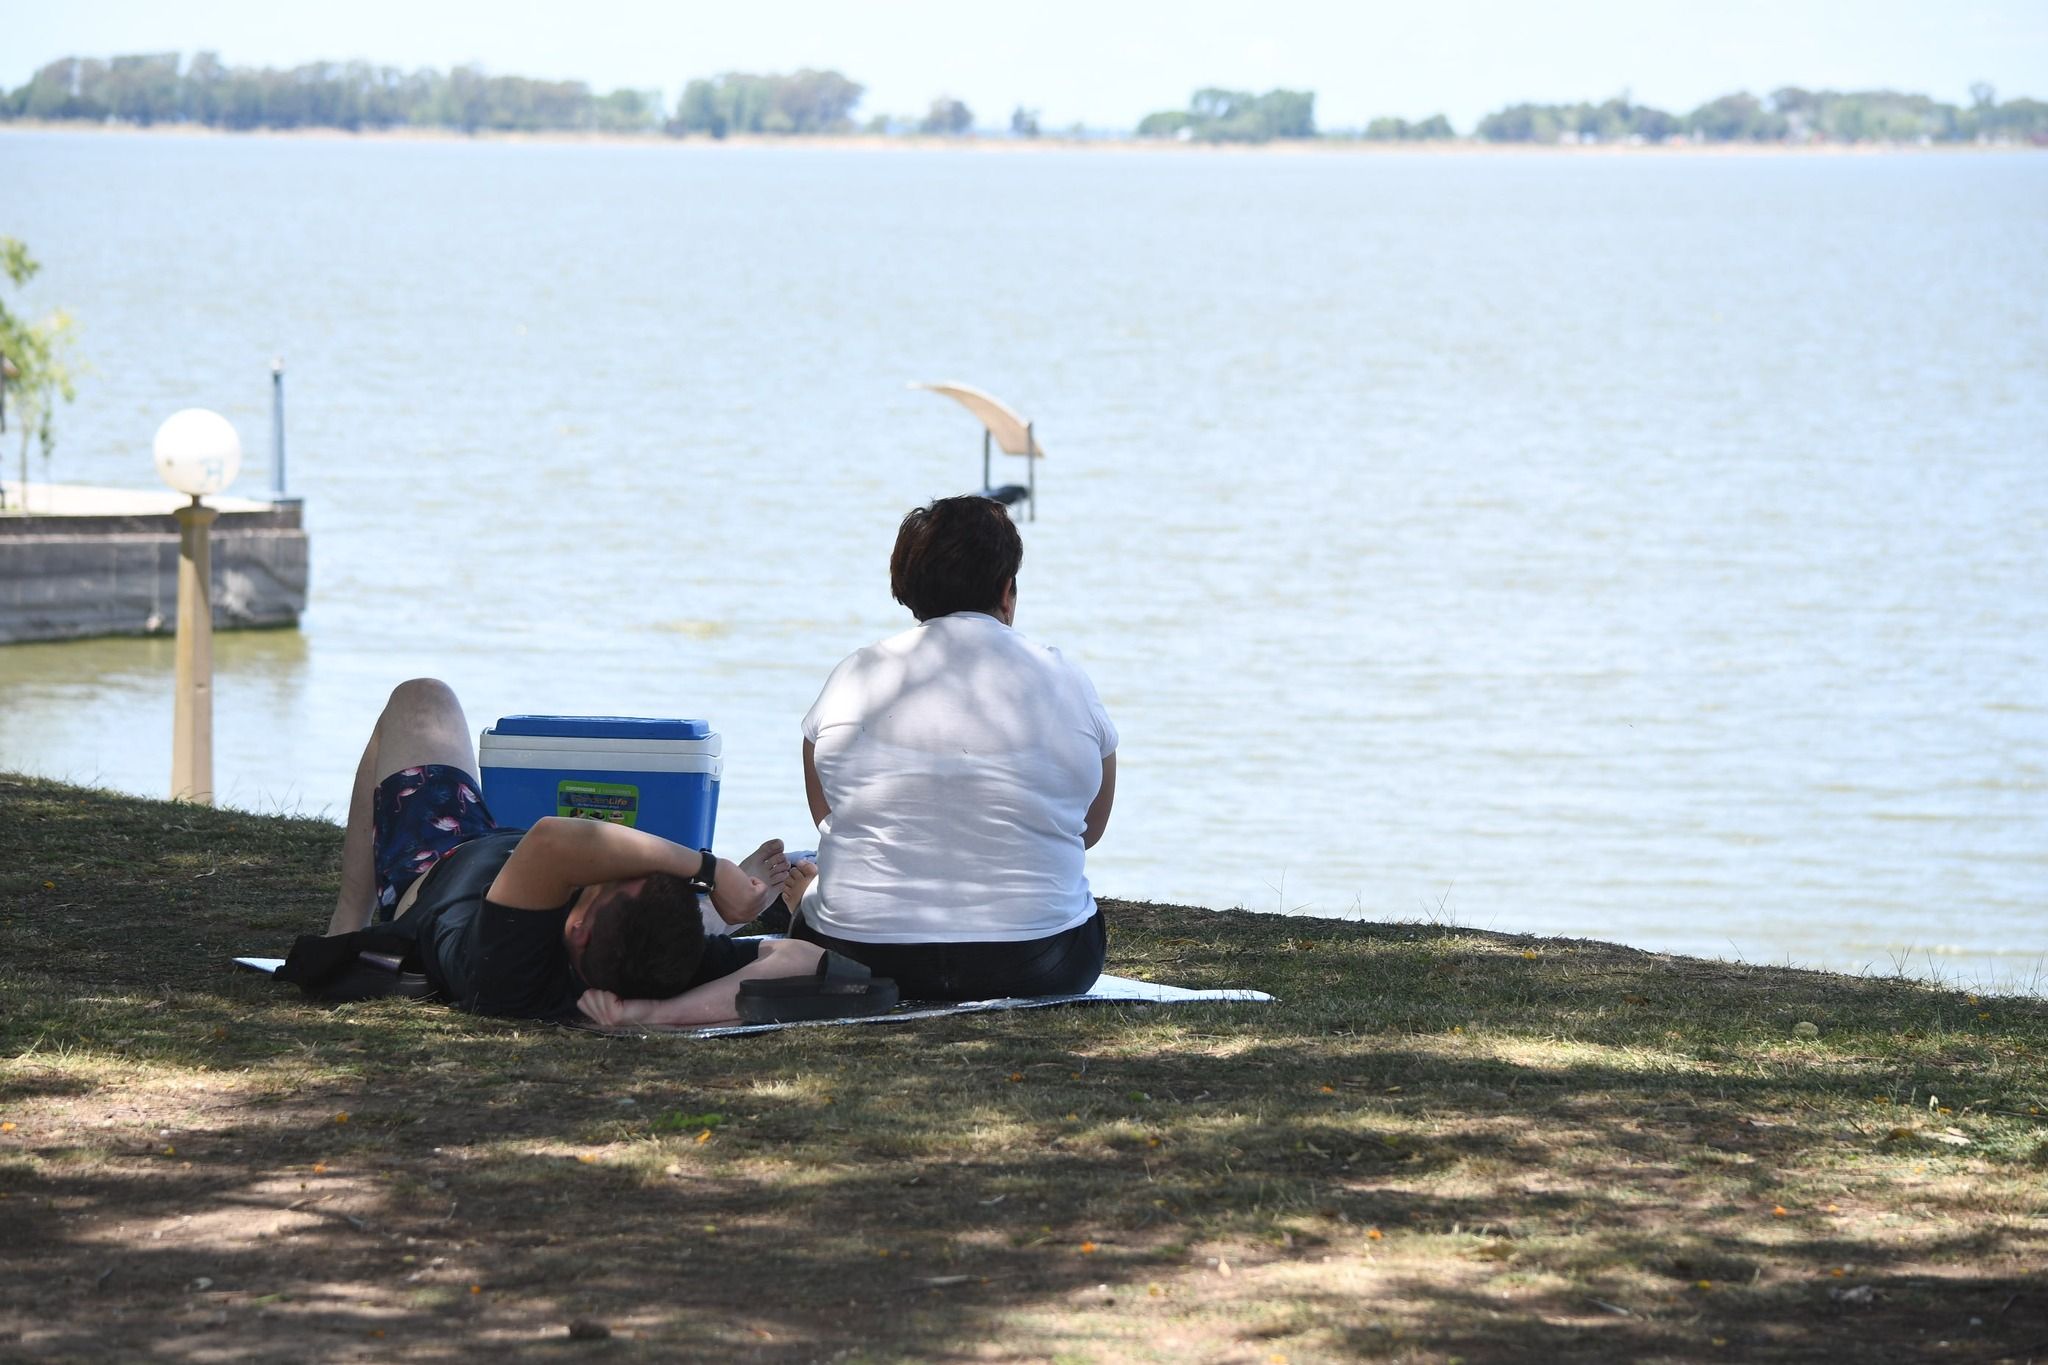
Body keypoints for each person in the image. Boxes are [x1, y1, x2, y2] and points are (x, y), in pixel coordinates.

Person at [295, 677, 824, 1026]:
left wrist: (710, 869)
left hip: (443, 861)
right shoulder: (665, 962)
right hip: (503, 857)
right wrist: (655, 1014)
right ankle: (710, 918)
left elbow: (553, 841)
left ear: (578, 926)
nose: (593, 875)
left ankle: (347, 924)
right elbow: (806, 959)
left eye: (596, 885)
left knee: (421, 698)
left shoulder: (512, 972)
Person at [793, 495, 1117, 999]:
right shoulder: (1064, 677)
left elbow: (828, 817)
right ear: (1007, 590)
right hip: (1044, 959)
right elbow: (1088, 831)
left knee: (811, 876)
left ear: (907, 591)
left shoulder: (854, 674)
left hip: (861, 956)